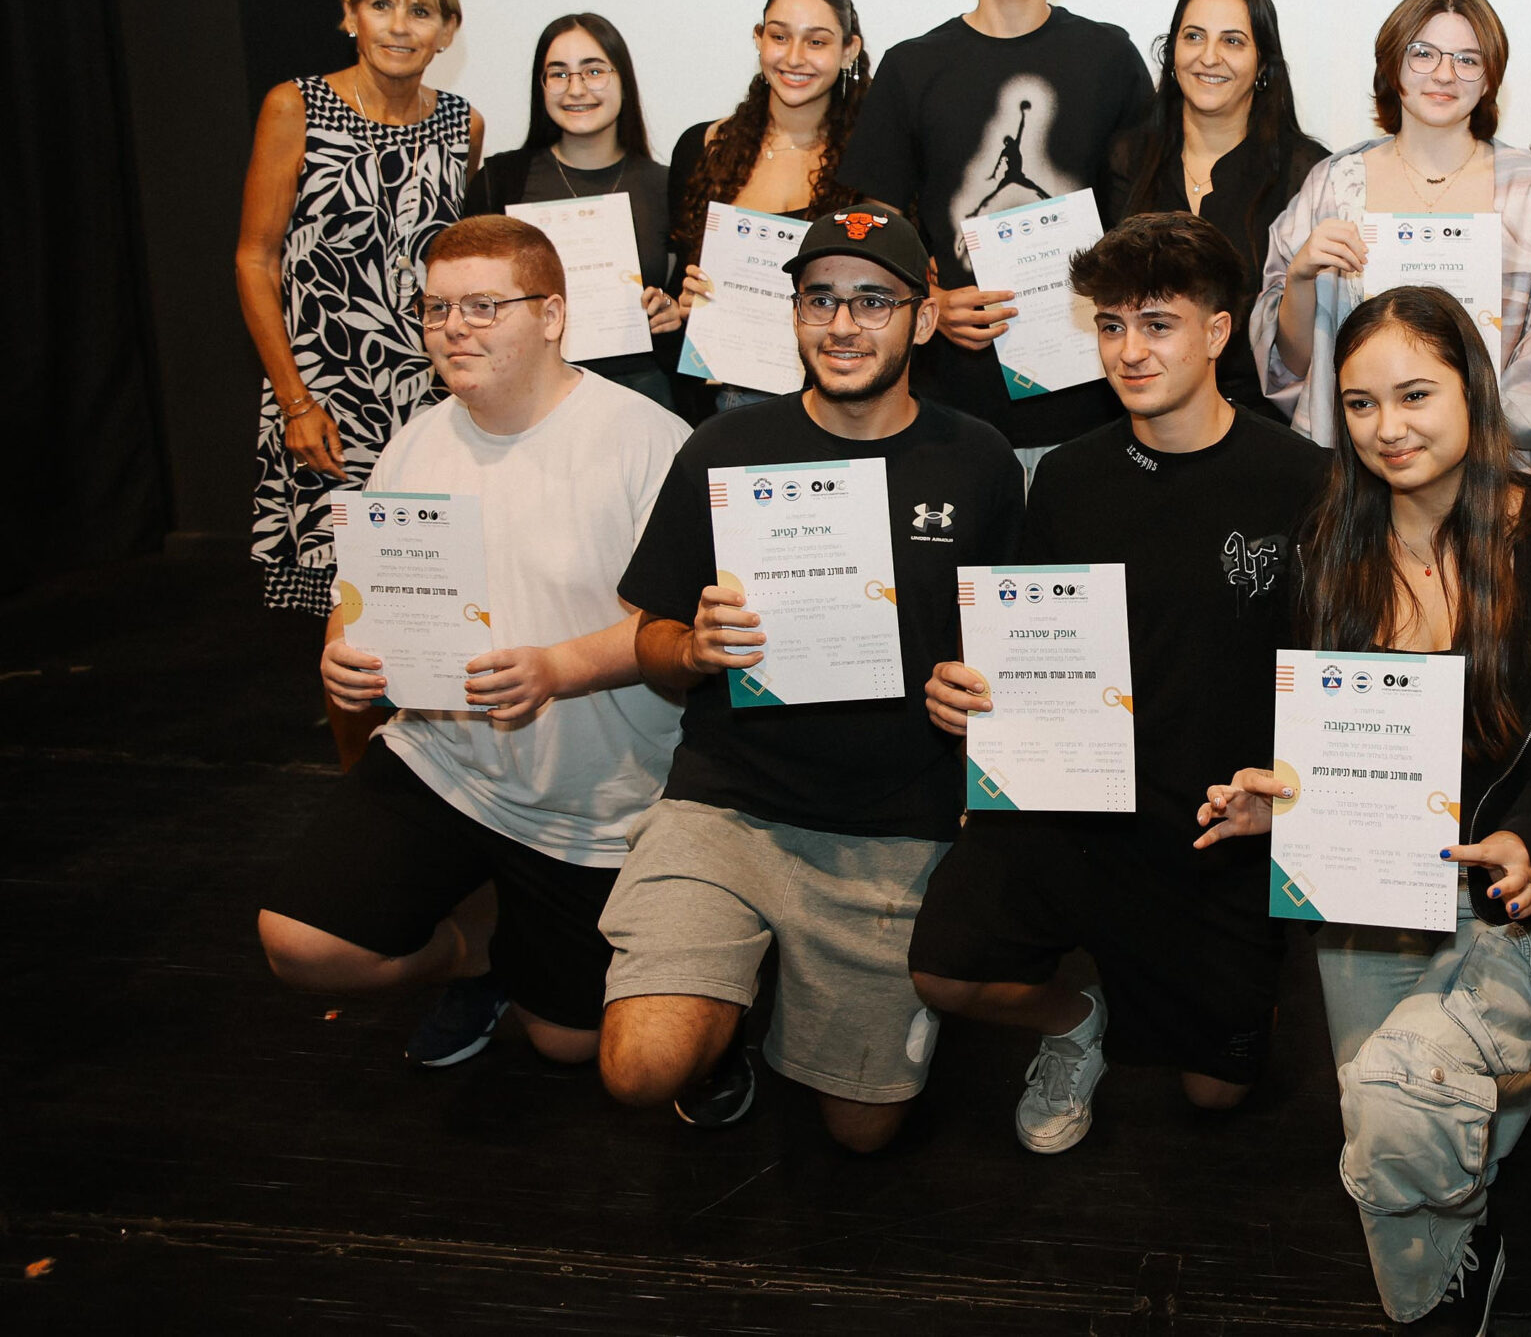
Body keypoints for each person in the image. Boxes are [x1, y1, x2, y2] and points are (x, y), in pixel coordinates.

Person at [1200, 285, 1531, 1333]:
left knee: (1406, 1107)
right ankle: (1506, 1087)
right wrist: (1277, 803)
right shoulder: (1326, 545)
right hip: (1373, 893)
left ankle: (1449, 1252)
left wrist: (1527, 837)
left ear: (1473, 390)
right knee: (1389, 1125)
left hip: (1514, 900)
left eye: (1415, 395)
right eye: (1359, 403)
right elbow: (1321, 738)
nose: (1386, 427)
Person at [595, 203, 1022, 1151]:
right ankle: (723, 1015)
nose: (842, 324)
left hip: (892, 826)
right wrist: (693, 650)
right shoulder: (723, 448)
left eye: (873, 301)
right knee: (642, 1066)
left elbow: (1014, 649)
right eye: (819, 299)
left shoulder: (980, 459)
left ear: (924, 316)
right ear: (792, 313)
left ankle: (780, 982)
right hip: (729, 805)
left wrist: (981, 694)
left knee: (863, 1132)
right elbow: (652, 638)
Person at [909, 212, 1329, 1149]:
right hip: (1075, 805)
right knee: (943, 970)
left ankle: (1208, 981)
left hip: (1215, 822)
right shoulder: (1067, 476)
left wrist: (1289, 800)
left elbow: (1332, 665)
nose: (1129, 350)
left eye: (1157, 324)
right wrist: (972, 698)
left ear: (1217, 332)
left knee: (1216, 1092)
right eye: (1110, 325)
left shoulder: (1303, 479)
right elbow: (1025, 646)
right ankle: (1075, 1018)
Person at [257, 216, 690, 1069]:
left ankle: (517, 937)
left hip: (595, 802)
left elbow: (682, 633)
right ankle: (476, 953)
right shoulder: (416, 441)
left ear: (553, 315)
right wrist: (342, 647)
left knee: (571, 1043)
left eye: (484, 305)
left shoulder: (647, 441)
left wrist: (558, 668)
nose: (454, 327)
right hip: (445, 763)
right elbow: (363, 591)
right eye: (437, 308)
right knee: (299, 945)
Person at [235, 0, 485, 765]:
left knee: (430, 607)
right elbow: (255, 259)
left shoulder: (462, 124)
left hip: (431, 407)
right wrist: (295, 401)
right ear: (350, 15)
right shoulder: (296, 106)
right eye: (381, 5)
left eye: (421, 10)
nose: (400, 26)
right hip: (327, 404)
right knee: (355, 630)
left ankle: (433, 783)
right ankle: (363, 792)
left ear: (447, 31)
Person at [841, 0, 1156, 473]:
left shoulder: (1109, 59)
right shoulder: (911, 67)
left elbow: (1146, 216)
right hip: (947, 412)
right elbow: (874, 231)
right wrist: (930, 301)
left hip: (1091, 410)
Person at [1253, 0, 1531, 463]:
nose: (1444, 74)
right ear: (1392, 63)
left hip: (1489, 466)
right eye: (1423, 54)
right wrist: (1300, 278)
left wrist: (1463, 424)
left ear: (1489, 79)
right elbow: (1294, 366)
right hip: (1358, 466)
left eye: (1467, 60)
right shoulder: (1335, 186)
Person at [1102, 0, 1328, 415]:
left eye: (1233, 41)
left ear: (1263, 64)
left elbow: (1309, 341)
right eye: (1193, 37)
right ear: (1172, 52)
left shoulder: (1308, 174)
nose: (1209, 57)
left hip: (1262, 423)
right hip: (1144, 415)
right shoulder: (1126, 158)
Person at [667, 0, 871, 417]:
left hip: (832, 411)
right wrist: (682, 305)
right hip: (711, 409)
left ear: (848, 50)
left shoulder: (873, 163)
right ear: (759, 38)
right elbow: (678, 278)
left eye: (816, 42)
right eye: (779, 36)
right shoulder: (701, 147)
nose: (794, 57)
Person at [464, 12, 682, 408]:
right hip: (526, 395)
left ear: (623, 81)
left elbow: (688, 298)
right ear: (542, 85)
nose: (576, 89)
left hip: (639, 398)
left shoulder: (668, 186)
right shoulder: (500, 181)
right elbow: (468, 293)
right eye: (559, 74)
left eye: (594, 71)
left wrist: (672, 313)